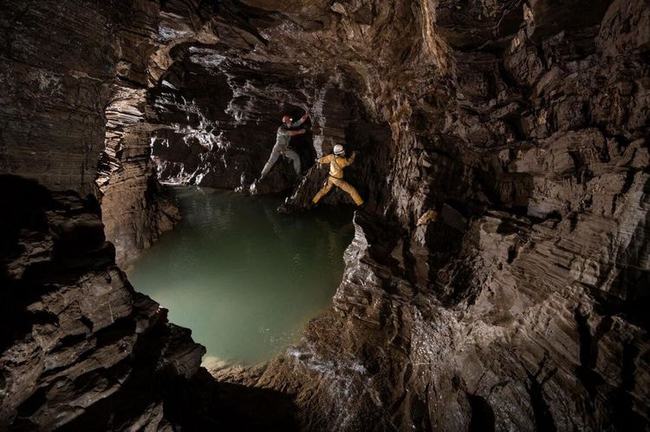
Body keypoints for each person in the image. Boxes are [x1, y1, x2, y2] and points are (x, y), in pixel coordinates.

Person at [258, 112, 310, 181]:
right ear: (285, 122)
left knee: (296, 157)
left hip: (285, 149)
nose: (291, 121)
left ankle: (298, 175)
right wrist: (300, 131)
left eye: (290, 120)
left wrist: (307, 114)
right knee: (271, 162)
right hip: (278, 148)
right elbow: (290, 133)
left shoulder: (290, 126)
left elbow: (299, 122)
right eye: (289, 120)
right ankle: (262, 176)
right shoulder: (281, 129)